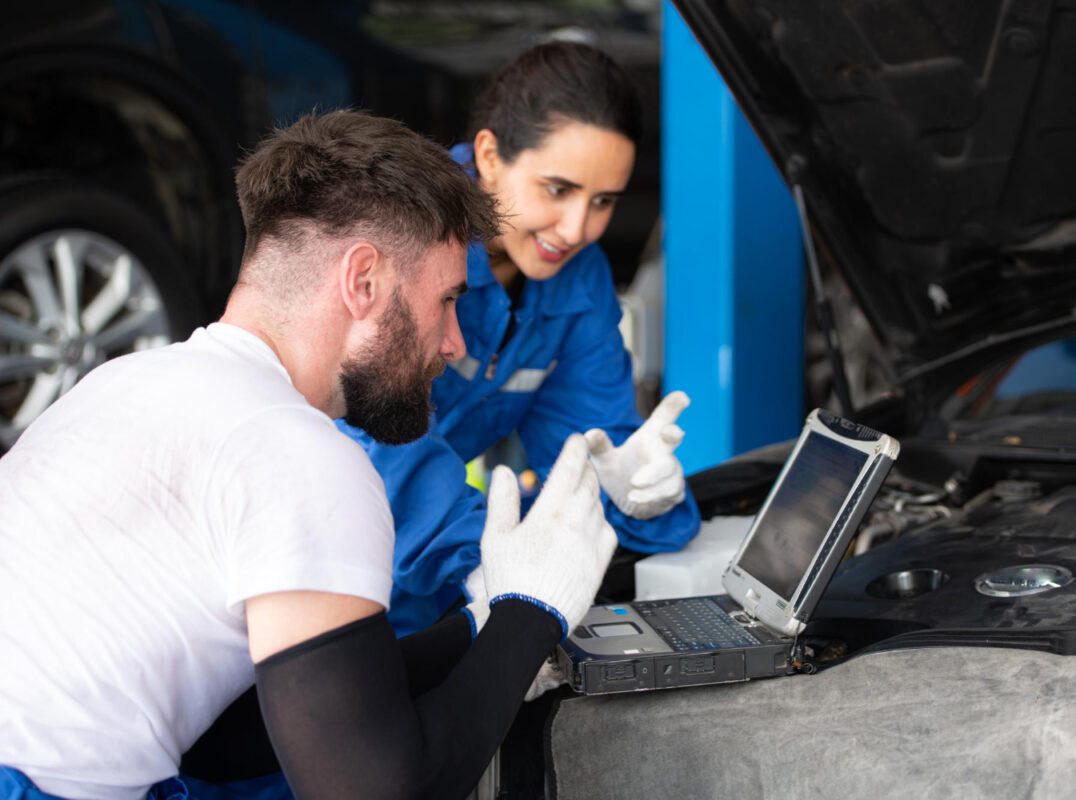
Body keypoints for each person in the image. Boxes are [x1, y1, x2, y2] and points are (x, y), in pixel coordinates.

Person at [0, 109, 616, 800]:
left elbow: (229, 737)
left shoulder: (125, 384)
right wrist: (533, 611)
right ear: (363, 282)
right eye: (445, 301)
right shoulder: (299, 454)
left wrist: (478, 625)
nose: (455, 344)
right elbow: (379, 794)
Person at [337, 41, 701, 640]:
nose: (579, 228)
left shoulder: (575, 279)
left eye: (603, 200)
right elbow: (381, 450)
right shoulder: (403, 232)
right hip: (313, 561)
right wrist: (497, 571)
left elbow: (585, 442)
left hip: (432, 587)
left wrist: (630, 494)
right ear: (489, 156)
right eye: (558, 189)